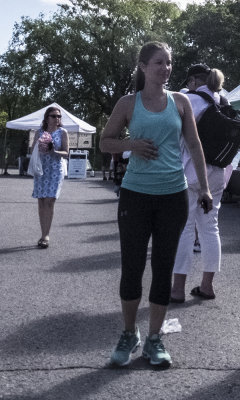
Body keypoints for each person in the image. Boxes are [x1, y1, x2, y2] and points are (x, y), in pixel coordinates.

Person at [100, 42, 212, 367]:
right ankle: (128, 333)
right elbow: (106, 141)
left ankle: (154, 339)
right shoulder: (127, 103)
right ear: (143, 67)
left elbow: (193, 143)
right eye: (159, 63)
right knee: (132, 268)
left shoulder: (180, 102)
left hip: (173, 197)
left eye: (170, 63)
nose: (166, 69)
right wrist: (132, 144)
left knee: (163, 268)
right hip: (135, 195)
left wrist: (204, 188)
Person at [171, 64, 227, 303]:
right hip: (218, 173)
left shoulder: (189, 100)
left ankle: (177, 289)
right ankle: (207, 286)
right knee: (210, 227)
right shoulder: (222, 101)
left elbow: (173, 135)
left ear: (193, 81)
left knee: (184, 227)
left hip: (192, 171)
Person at [31, 107, 69, 248]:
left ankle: (46, 235)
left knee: (49, 200)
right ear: (47, 118)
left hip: (55, 169)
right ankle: (42, 233)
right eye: (54, 116)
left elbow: (66, 153)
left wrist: (54, 150)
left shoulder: (62, 132)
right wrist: (39, 146)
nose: (57, 118)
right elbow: (33, 149)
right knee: (41, 201)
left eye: (59, 116)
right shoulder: (39, 132)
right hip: (41, 169)